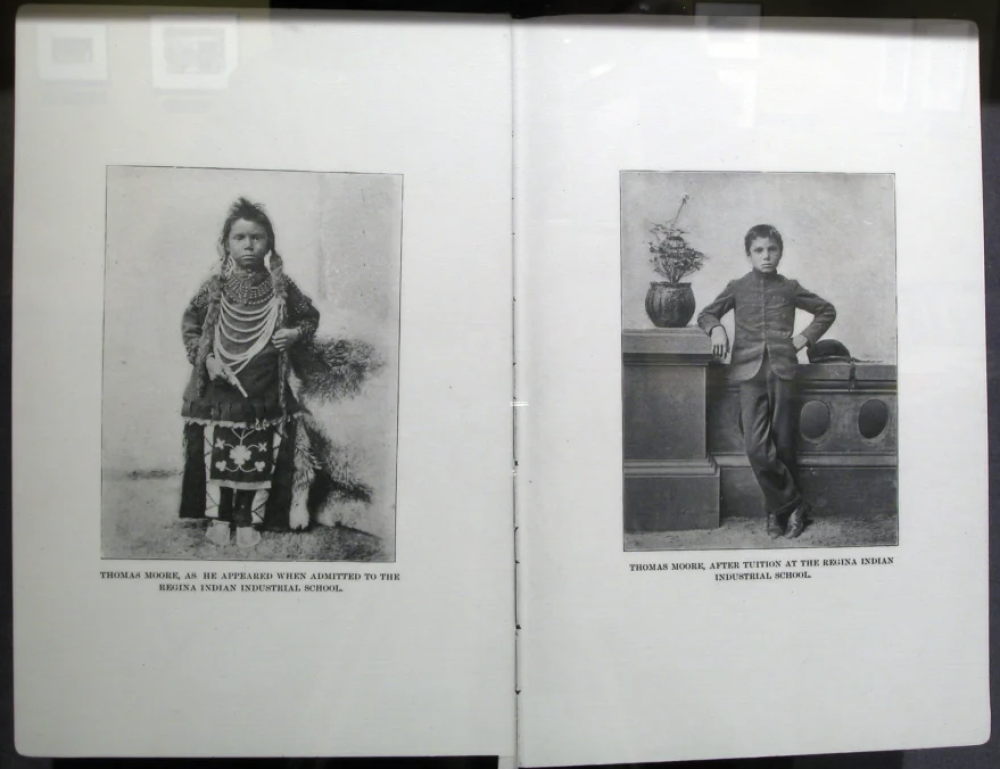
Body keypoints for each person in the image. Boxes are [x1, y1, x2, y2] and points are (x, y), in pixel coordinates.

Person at [179, 198, 320, 548]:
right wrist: (208, 361)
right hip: (219, 386)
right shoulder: (215, 288)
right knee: (219, 450)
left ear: (269, 243)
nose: (248, 244)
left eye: (257, 237)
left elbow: (308, 317)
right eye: (240, 237)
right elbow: (192, 327)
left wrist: (294, 334)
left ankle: (249, 520)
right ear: (226, 244)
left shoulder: (281, 288)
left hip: (265, 387)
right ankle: (219, 516)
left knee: (259, 451)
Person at [696, 224, 836, 539]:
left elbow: (826, 311)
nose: (766, 255)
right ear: (749, 254)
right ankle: (796, 504)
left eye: (772, 249)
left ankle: (776, 515)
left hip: (783, 372)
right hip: (749, 373)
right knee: (757, 447)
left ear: (780, 252)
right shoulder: (737, 286)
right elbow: (706, 314)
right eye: (759, 250)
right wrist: (717, 328)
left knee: (784, 445)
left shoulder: (789, 287)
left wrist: (804, 337)